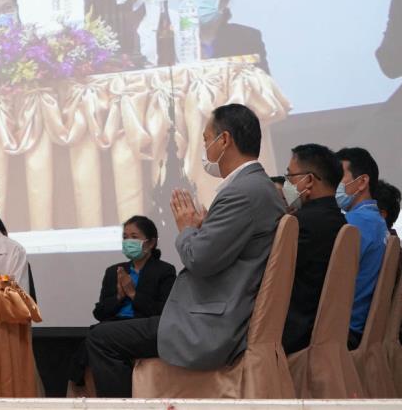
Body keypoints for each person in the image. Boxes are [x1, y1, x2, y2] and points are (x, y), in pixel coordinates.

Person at [87, 103, 284, 397]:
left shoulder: (241, 193)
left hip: (208, 324)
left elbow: (199, 259)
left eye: (206, 140)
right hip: (220, 314)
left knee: (101, 339)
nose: (205, 148)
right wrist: (203, 230)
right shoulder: (260, 187)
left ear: (225, 140)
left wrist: (187, 228)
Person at [68, 216, 176, 387]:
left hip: (143, 328)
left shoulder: (164, 271)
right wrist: (119, 296)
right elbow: (100, 313)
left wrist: (133, 293)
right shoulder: (114, 271)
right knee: (91, 341)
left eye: (134, 237)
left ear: (151, 243)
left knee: (94, 343)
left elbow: (163, 312)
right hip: (112, 325)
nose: (128, 242)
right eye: (125, 237)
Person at [280, 144, 347, 354]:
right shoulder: (339, 221)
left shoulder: (301, 224)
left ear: (308, 180)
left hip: (294, 335)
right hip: (324, 330)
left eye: (290, 176)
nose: (286, 183)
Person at [335, 147, 389, 348]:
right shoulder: (376, 221)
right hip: (362, 329)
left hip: (343, 331)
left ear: (362, 181)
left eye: (338, 177)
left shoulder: (355, 223)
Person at [181, 0, 269, 73]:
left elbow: (261, 82)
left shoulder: (247, 38)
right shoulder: (171, 42)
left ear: (225, 0)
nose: (197, 0)